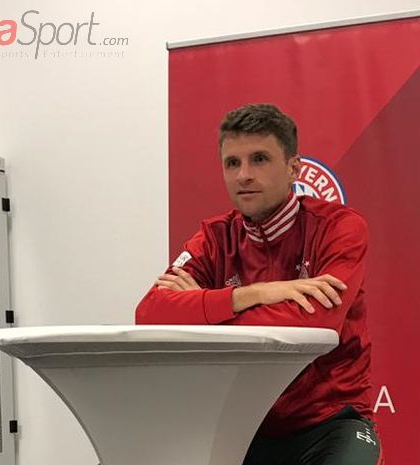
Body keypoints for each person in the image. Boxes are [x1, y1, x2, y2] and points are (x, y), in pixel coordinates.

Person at [135, 103, 382, 465]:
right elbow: (150, 313)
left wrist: (205, 310)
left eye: (260, 159)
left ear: (293, 168)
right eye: (232, 163)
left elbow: (315, 324)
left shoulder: (340, 228)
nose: (243, 175)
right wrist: (254, 293)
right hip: (243, 425)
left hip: (330, 421)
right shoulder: (214, 237)